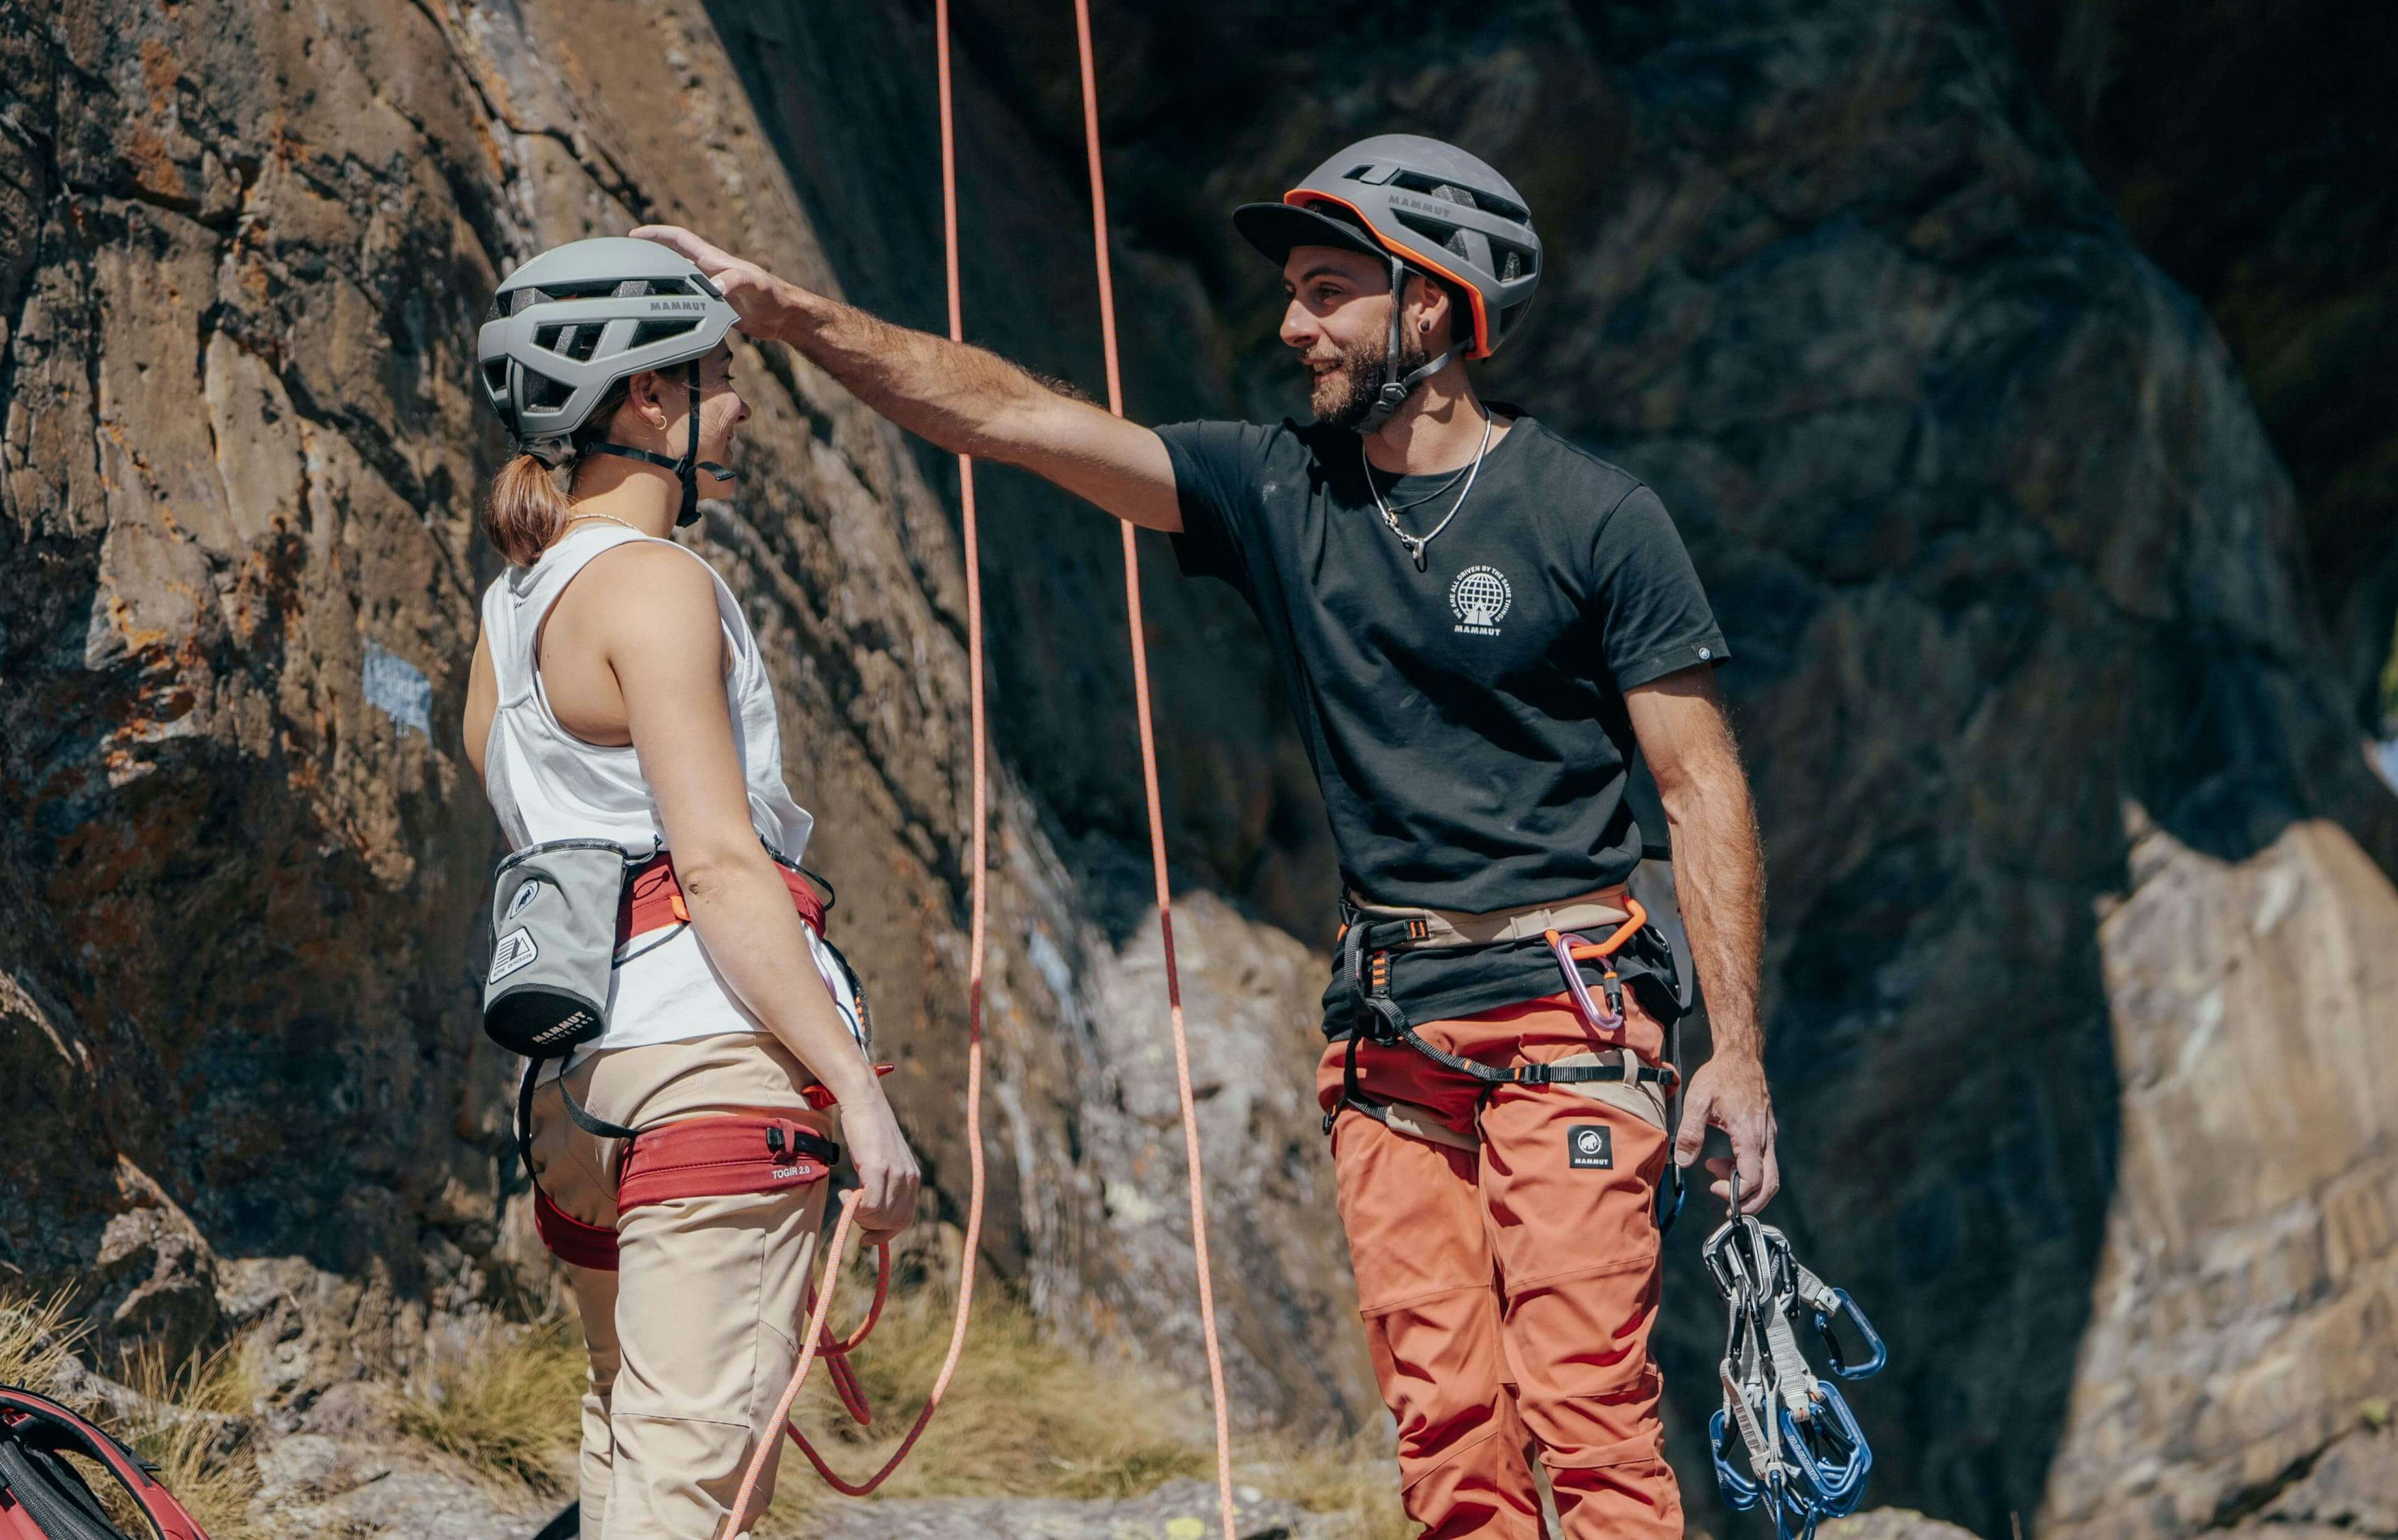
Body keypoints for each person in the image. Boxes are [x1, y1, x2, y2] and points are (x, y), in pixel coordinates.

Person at [636, 133, 1778, 1540]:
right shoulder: (1276, 489)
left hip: (1568, 1007)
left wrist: (1736, 1054)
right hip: (1390, 1028)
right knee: (1445, 1435)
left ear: (1431, 306)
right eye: (1292, 293)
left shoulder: (1596, 517)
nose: (1292, 325)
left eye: (1325, 291)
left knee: (1586, 1416)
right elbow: (1007, 420)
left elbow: (1699, 787)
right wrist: (793, 316)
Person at [460, 236, 921, 1539]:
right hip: (712, 1070)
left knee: (630, 1439)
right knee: (694, 1489)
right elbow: (718, 868)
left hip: (578, 1087)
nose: (745, 403)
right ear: (648, 397)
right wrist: (853, 1095)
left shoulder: (511, 608)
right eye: (721, 374)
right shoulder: (656, 587)